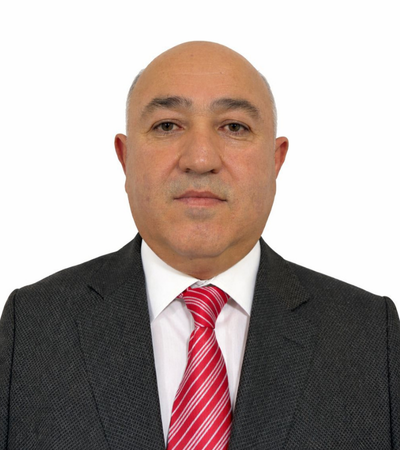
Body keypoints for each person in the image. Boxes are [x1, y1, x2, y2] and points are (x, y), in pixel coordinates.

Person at [0, 41, 399, 449]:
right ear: (125, 158)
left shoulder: (370, 336)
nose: (201, 159)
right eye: (167, 126)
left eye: (234, 127)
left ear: (276, 160)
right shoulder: (31, 327)